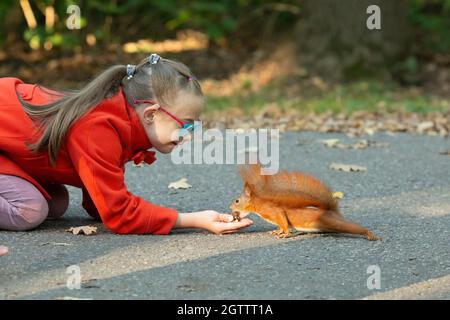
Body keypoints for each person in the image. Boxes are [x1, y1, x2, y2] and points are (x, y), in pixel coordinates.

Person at [0, 53, 253, 237]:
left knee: (56, 203)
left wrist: (116, 206)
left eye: (194, 128)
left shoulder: (120, 119)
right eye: (186, 125)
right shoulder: (97, 128)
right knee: (29, 210)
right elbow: (118, 215)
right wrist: (192, 220)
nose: (188, 136)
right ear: (151, 114)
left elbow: (99, 201)